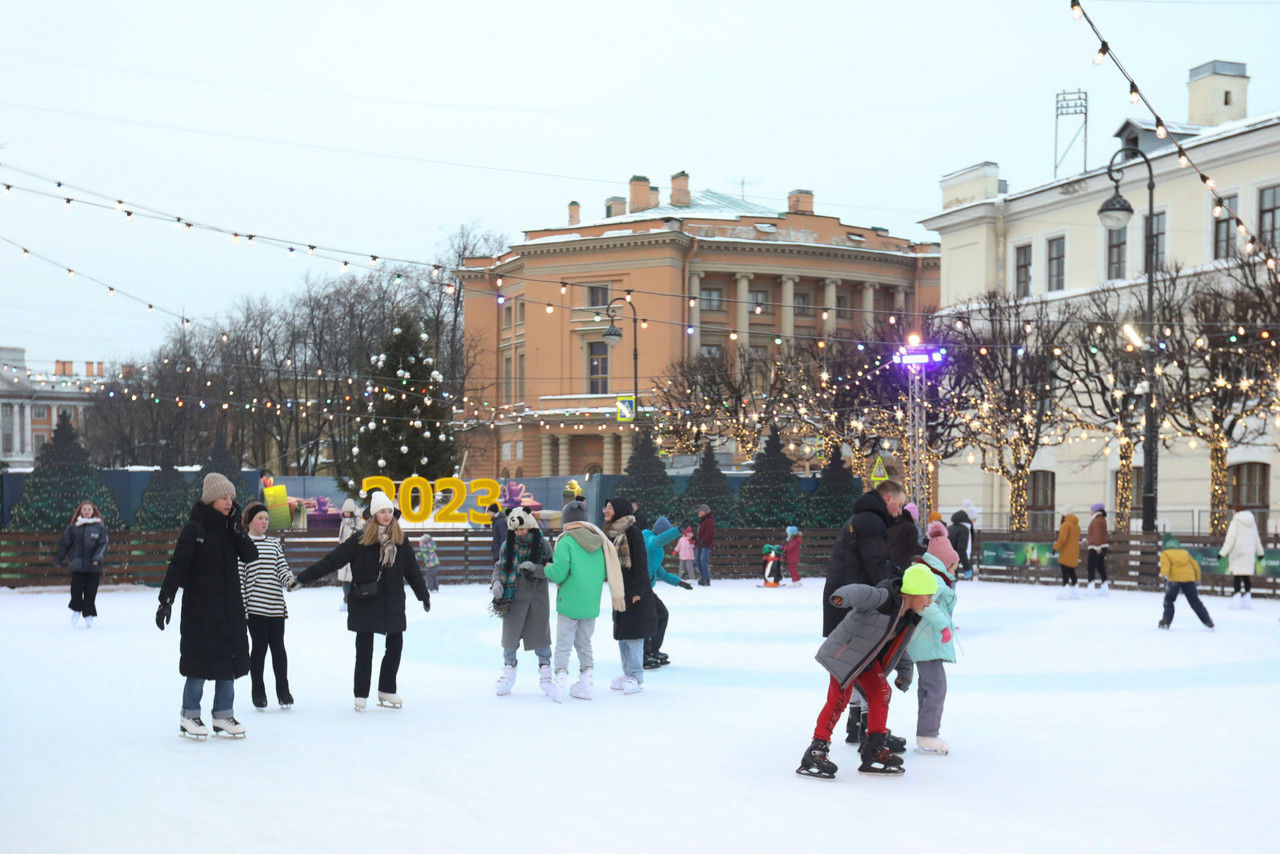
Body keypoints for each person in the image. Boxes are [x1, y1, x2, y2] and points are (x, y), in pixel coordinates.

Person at [796, 563, 938, 778]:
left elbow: (900, 648)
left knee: (882, 693)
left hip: (866, 661)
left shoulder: (907, 617)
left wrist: (905, 673)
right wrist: (843, 597)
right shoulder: (884, 599)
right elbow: (862, 593)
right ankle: (816, 752)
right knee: (838, 700)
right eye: (927, 595)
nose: (929, 602)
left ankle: (874, 750)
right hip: (844, 655)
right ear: (913, 591)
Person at [295, 490, 431, 710]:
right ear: (374, 514)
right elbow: (332, 561)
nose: (387, 515)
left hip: (393, 601)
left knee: (395, 645)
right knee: (364, 648)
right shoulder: (359, 540)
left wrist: (423, 595)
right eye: (382, 511)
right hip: (367, 600)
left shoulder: (400, 541)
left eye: (390, 511)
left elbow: (412, 571)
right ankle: (361, 693)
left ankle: (387, 689)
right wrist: (302, 579)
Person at [155, 473, 258, 739]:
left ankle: (223, 715)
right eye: (223, 497)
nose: (228, 502)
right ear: (211, 499)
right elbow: (177, 566)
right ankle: (189, 715)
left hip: (229, 608)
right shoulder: (195, 529)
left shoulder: (230, 530)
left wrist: (238, 530)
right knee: (198, 664)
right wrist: (166, 600)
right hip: (200, 609)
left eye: (231, 498)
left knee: (229, 664)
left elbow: (250, 555)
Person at [823, 480, 908, 748]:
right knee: (862, 666)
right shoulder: (872, 522)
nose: (901, 510)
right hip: (853, 603)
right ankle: (865, 731)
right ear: (888, 498)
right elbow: (874, 565)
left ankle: (862, 726)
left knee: (861, 667)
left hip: (843, 599)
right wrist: (897, 584)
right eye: (900, 504)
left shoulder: (861, 518)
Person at [543, 500, 625, 702]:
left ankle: (560, 684)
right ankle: (586, 682)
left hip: (570, 601)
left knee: (564, 644)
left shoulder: (566, 541)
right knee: (584, 642)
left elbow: (559, 573)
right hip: (590, 602)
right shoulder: (599, 541)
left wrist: (546, 568)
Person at [901, 522, 960, 756]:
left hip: (925, 641)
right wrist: (944, 625)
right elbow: (926, 604)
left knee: (929, 687)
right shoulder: (933, 580)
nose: (954, 572)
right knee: (936, 687)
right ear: (945, 563)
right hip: (927, 642)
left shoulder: (932, 575)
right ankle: (928, 734)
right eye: (953, 567)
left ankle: (926, 732)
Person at [238, 503, 299, 711]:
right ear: (250, 521)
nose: (264, 522)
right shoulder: (243, 544)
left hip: (275, 607)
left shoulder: (273, 544)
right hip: (255, 609)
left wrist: (290, 581)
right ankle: (258, 692)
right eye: (260, 518)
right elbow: (241, 579)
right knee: (259, 649)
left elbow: (282, 568)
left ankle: (283, 691)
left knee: (279, 650)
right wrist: (243, 609)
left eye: (266, 518)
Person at [490, 505, 554, 697]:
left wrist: (536, 568)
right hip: (513, 598)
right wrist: (495, 582)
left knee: (540, 636)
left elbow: (553, 569)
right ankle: (508, 669)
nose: (519, 532)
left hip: (536, 598)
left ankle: (545, 670)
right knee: (510, 638)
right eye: (516, 529)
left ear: (530, 526)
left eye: (522, 528)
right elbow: (499, 567)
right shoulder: (506, 546)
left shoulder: (542, 545)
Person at [604, 495, 654, 694]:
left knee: (634, 635)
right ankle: (627, 673)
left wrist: (637, 591)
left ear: (620, 509)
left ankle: (636, 676)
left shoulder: (633, 533)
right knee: (623, 634)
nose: (606, 511)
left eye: (610, 508)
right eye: (605, 508)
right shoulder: (610, 532)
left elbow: (641, 563)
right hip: (618, 591)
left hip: (634, 592)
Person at [643, 516, 692, 669]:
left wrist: (679, 582)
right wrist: (678, 531)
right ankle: (644, 654)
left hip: (646, 589)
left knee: (662, 615)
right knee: (647, 620)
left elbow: (661, 572)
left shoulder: (655, 551)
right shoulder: (650, 541)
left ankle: (653, 650)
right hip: (638, 588)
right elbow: (659, 541)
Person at [55, 500, 108, 627]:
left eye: (89, 509)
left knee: (91, 591)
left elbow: (103, 545)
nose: (86, 511)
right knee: (76, 589)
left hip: (93, 566)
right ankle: (77, 609)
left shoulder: (100, 528)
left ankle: (89, 614)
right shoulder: (73, 528)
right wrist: (59, 557)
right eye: (84, 509)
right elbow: (65, 544)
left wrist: (97, 558)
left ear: (93, 512)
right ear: (80, 512)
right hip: (77, 564)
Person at [1158, 533, 1215, 630]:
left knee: (1169, 600)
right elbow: (1196, 566)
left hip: (1174, 580)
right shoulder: (1185, 552)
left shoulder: (1165, 553)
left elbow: (1165, 567)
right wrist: (1197, 579)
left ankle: (1166, 622)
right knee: (1194, 601)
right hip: (1189, 579)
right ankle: (1208, 621)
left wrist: (1163, 576)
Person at [1220, 507, 1263, 609]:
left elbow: (1230, 540)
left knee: (1237, 576)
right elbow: (1256, 538)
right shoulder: (1252, 523)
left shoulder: (1235, 522)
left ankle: (1236, 598)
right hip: (1249, 553)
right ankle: (1247, 598)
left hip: (1237, 553)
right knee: (1246, 576)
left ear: (1236, 511)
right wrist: (1260, 553)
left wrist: (1222, 553)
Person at [336, 498, 362, 611]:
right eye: (345, 512)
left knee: (353, 581)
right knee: (345, 582)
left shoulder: (357, 523)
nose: (346, 513)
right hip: (344, 556)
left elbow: (360, 538)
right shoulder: (343, 523)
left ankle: (351, 601)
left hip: (354, 557)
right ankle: (347, 600)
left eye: (348, 511)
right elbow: (341, 539)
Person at [1052, 509, 1081, 600]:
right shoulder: (1076, 526)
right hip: (1074, 551)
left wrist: (1055, 547)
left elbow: (1062, 539)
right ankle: (1075, 591)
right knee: (1072, 571)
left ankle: (1065, 590)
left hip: (1066, 552)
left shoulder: (1066, 525)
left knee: (1065, 571)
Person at [886, 503, 922, 570]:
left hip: (889, 563)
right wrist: (925, 551)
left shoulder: (891, 525)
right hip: (903, 563)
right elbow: (913, 548)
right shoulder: (910, 527)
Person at [1085, 503, 1109, 595]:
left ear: (1095, 511)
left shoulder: (1095, 520)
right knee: (1101, 566)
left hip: (1095, 547)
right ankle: (1104, 586)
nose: (1090, 512)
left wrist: (1097, 546)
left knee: (1091, 567)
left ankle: (1091, 587)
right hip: (1102, 546)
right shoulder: (1102, 519)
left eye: (1091, 510)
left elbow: (1097, 534)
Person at [947, 509, 974, 580]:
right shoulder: (964, 529)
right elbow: (961, 550)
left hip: (945, 560)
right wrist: (967, 567)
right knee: (951, 583)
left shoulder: (950, 527)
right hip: (953, 562)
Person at [694, 504, 716, 586]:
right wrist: (694, 539)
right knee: (697, 559)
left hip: (706, 544)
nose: (698, 513)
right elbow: (700, 534)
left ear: (704, 512)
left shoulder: (709, 520)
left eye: (699, 511)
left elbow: (709, 532)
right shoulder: (703, 520)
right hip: (700, 544)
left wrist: (703, 541)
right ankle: (703, 577)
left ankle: (706, 578)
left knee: (703, 560)